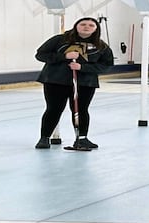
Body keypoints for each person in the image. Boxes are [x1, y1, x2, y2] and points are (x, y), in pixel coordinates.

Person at [34, 17, 113, 150]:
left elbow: (106, 65)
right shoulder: (60, 40)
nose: (86, 27)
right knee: (54, 109)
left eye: (90, 25)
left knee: (81, 110)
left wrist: (83, 68)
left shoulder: (101, 46)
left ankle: (82, 138)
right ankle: (44, 138)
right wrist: (64, 57)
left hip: (85, 83)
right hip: (56, 81)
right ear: (76, 26)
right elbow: (40, 54)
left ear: (96, 28)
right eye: (82, 24)